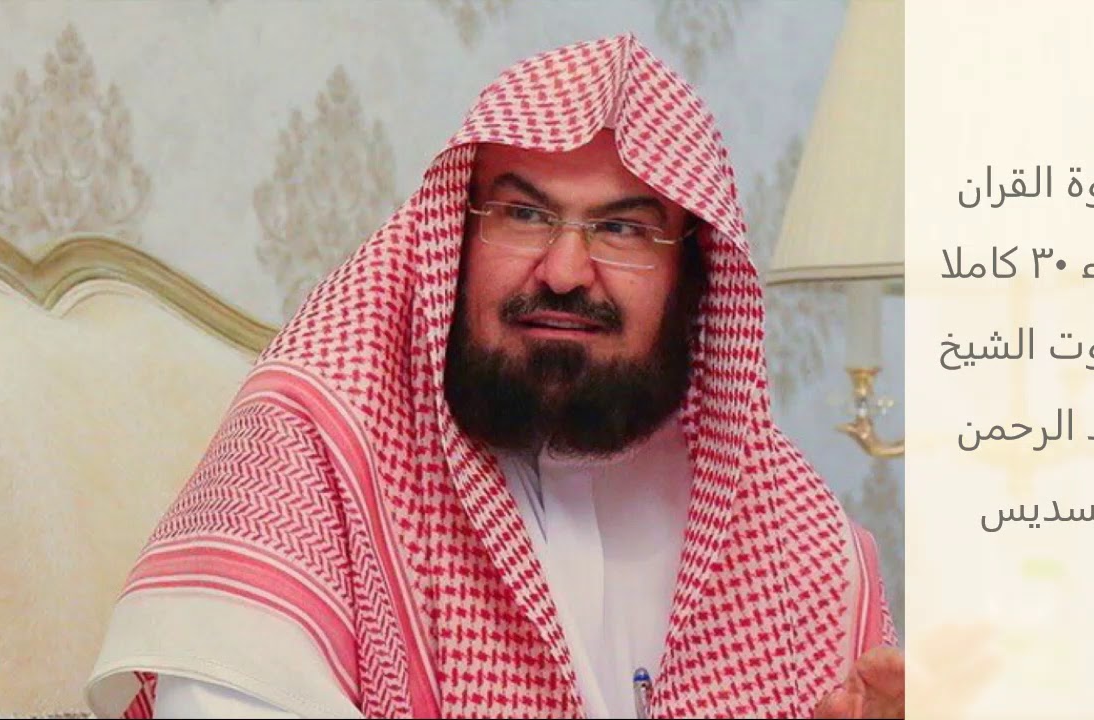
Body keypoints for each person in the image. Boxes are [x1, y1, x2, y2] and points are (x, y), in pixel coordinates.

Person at [85, 34, 903, 719]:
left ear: (691, 276)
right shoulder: (305, 460)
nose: (565, 270)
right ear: (457, 238)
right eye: (523, 214)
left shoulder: (792, 544)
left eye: (621, 229)